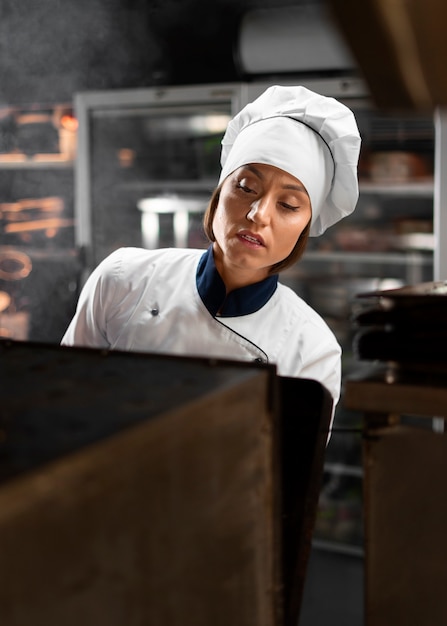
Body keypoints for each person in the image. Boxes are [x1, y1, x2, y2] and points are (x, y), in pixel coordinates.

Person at [61, 85, 361, 411]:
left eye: (288, 205)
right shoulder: (123, 278)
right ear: (219, 194)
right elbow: (62, 399)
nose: (258, 214)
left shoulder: (311, 348)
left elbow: (290, 462)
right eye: (246, 187)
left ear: (306, 227)